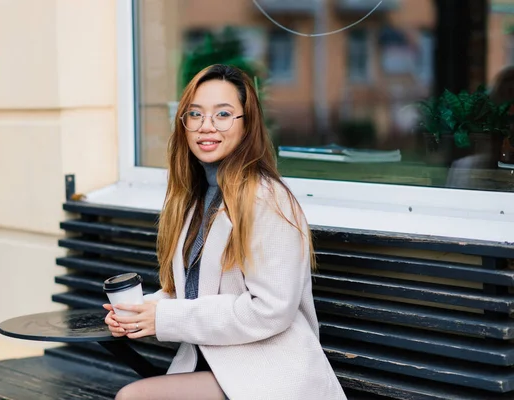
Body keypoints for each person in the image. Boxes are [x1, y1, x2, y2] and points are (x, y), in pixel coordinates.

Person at [103, 64, 347, 400]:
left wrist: (164, 317)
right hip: (219, 369)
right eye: (195, 114)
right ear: (183, 123)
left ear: (247, 125)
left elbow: (271, 309)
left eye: (223, 114)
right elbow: (193, 295)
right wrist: (139, 312)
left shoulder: (267, 199)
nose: (207, 127)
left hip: (268, 374)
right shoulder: (196, 198)